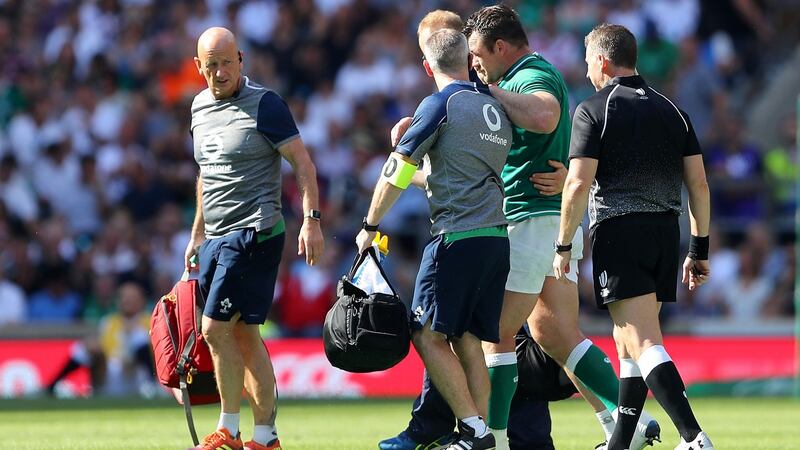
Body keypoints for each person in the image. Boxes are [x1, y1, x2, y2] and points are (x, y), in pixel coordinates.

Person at [385, 7, 659, 450]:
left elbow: (546, 114)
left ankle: (488, 437)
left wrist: (487, 91)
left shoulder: (527, 74)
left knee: (489, 333)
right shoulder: (508, 81)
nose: (473, 65)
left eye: (477, 56)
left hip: (527, 221)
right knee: (555, 333)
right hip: (546, 221)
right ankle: (625, 421)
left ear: (499, 48)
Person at [554, 24, 714, 450]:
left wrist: (564, 244)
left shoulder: (592, 109)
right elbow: (698, 185)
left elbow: (576, 183)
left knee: (642, 340)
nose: (587, 69)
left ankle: (694, 437)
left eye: (589, 59)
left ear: (603, 60)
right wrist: (699, 248)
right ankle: (620, 442)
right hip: (665, 233)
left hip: (619, 232)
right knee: (626, 342)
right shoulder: (672, 109)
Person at [356, 27, 512, 450]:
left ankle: (474, 431)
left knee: (424, 332)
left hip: (456, 237)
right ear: (466, 60)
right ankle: (480, 435)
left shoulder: (440, 103)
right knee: (466, 339)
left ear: (428, 67)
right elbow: (454, 176)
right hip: (496, 239)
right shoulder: (491, 106)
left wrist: (370, 225)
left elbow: (398, 168)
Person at [185, 27, 324, 450]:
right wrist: (197, 234)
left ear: (241, 60)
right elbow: (206, 174)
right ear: (198, 67)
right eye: (211, 65)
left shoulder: (266, 105)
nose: (220, 72)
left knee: (213, 328)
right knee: (243, 333)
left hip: (255, 230)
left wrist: (311, 220)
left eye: (227, 62)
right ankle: (266, 436)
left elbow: (303, 163)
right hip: (216, 236)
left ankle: (228, 428)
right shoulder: (197, 108)